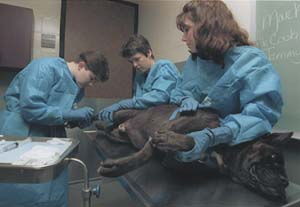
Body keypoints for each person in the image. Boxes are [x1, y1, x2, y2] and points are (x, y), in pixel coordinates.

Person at [152, 0, 283, 164]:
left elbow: (261, 115)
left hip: (234, 145)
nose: (183, 38)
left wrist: (216, 134)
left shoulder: (251, 61)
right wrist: (185, 98)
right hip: (189, 138)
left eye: (186, 30)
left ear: (207, 28)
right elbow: (180, 90)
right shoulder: (195, 60)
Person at [0, 50, 109, 207]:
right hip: (22, 131)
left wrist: (75, 120)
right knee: (22, 187)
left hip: (49, 136)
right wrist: (68, 114)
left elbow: (58, 112)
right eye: (92, 78)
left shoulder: (76, 85)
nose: (91, 84)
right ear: (81, 65)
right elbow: (31, 109)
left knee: (52, 186)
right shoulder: (45, 68)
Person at [98, 34, 181, 124]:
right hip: (148, 118)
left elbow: (160, 97)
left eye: (137, 59)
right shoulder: (140, 76)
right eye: (131, 62)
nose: (134, 65)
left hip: (166, 118)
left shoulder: (164, 67)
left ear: (149, 53)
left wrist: (122, 105)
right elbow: (139, 104)